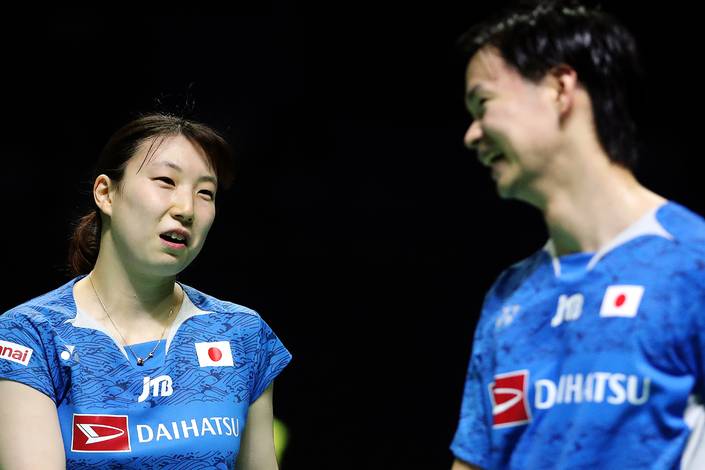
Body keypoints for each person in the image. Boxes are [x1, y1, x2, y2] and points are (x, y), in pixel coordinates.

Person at [450, 2, 705, 469]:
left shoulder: (693, 263)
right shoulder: (509, 299)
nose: (471, 134)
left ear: (559, 87)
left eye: (482, 104)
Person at [0, 113, 291, 469]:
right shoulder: (30, 335)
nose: (186, 210)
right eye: (166, 181)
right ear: (106, 193)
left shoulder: (241, 333)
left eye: (205, 193)